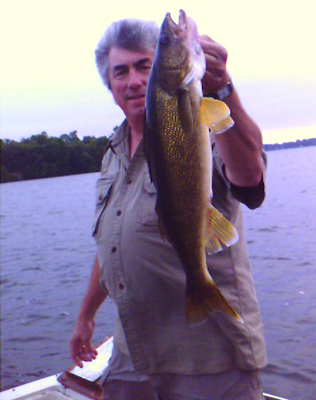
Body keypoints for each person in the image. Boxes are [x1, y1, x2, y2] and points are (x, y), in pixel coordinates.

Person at [70, 16, 267, 400]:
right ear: (109, 85)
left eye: (145, 65)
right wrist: (85, 316)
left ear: (161, 69)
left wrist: (223, 87)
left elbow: (250, 181)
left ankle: (203, 291)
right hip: (132, 358)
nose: (133, 80)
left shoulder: (203, 121)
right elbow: (110, 245)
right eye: (120, 71)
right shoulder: (112, 155)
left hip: (208, 363)